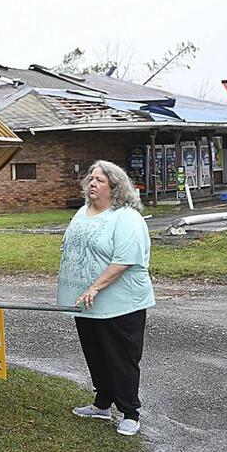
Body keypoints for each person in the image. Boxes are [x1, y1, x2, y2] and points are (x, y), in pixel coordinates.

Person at [57, 160, 155, 436]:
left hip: (120, 303)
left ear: (115, 187)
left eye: (99, 180)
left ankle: (130, 412)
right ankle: (102, 404)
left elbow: (124, 260)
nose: (92, 183)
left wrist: (95, 287)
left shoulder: (126, 217)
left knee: (121, 357)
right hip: (86, 304)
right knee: (96, 354)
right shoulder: (82, 212)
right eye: (91, 178)